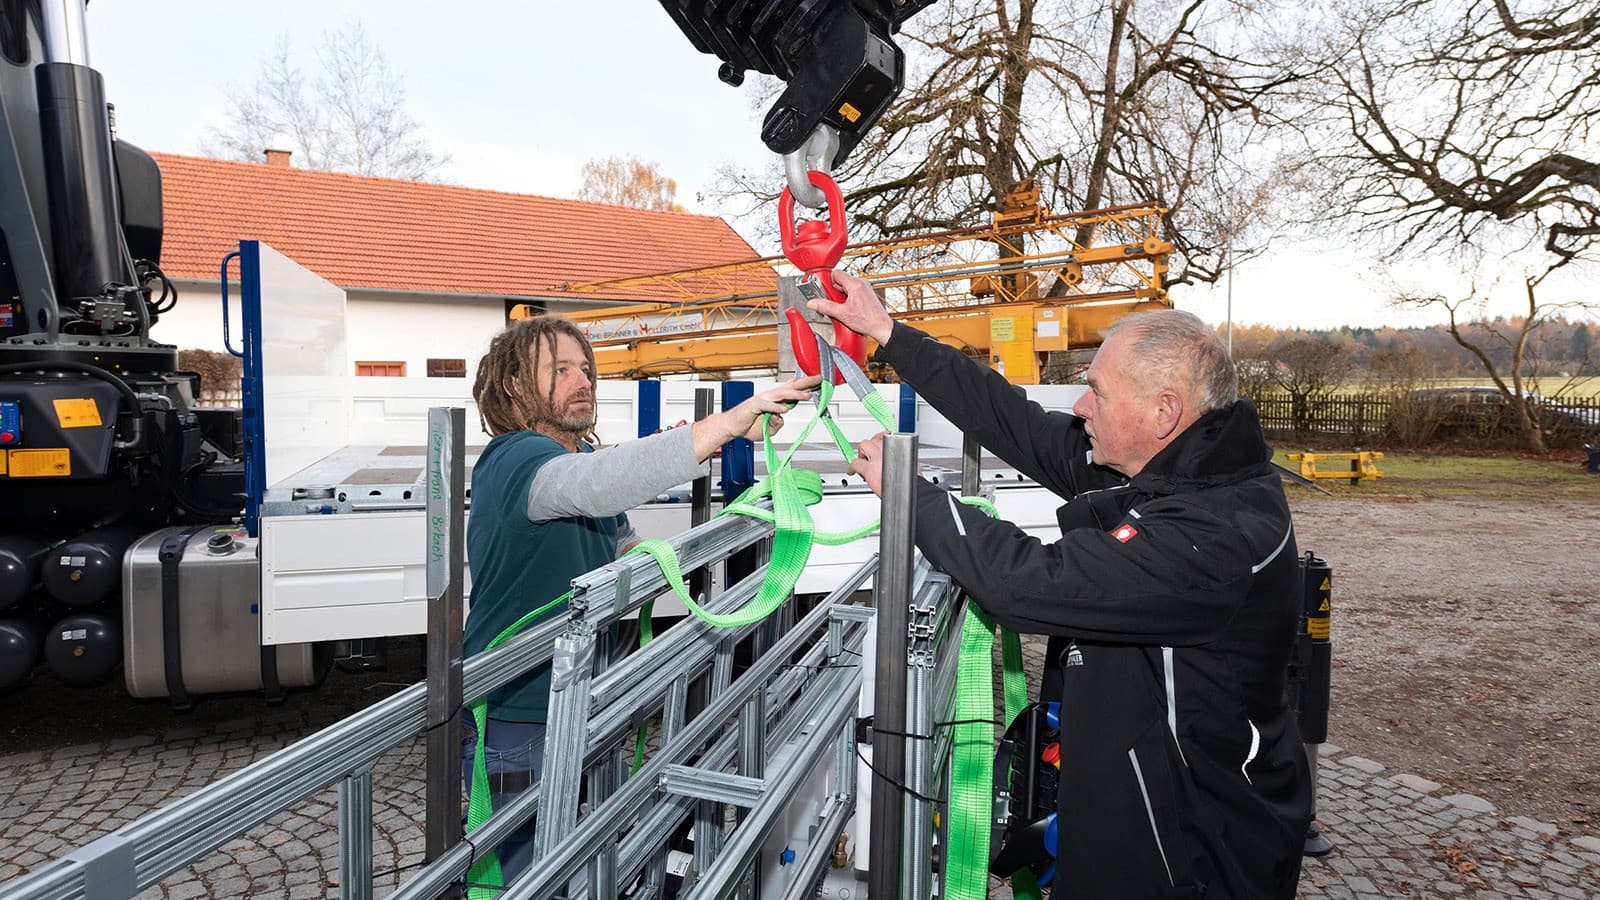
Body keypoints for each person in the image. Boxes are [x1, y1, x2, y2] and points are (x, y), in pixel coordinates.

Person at [811, 271, 1312, 899]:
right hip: (1130, 820)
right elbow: (1014, 421)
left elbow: (1029, 581)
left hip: (1191, 856)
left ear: (1164, 411)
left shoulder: (1214, 538)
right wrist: (888, 333)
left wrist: (913, 495)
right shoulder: (1164, 467)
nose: (1080, 407)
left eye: (1096, 392)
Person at [464, 314, 818, 882]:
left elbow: (630, 547)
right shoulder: (514, 457)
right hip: (522, 712)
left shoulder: (572, 462)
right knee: (526, 874)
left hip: (579, 698)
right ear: (513, 386)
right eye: (559, 370)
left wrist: (752, 514)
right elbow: (593, 484)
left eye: (585, 369)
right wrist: (722, 426)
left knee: (572, 857)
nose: (582, 382)